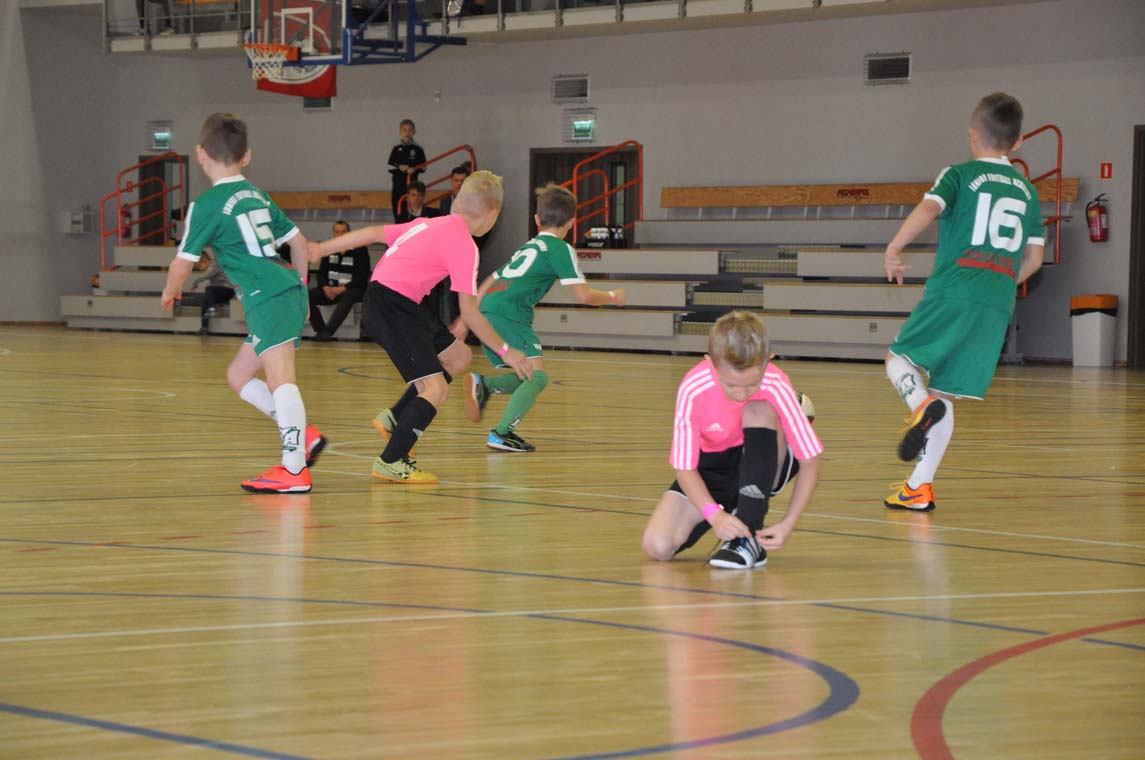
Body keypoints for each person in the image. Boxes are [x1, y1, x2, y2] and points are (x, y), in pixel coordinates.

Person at [309, 170, 531, 484]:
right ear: (493, 215)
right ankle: (391, 461)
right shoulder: (465, 246)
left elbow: (372, 233)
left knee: (458, 357)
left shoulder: (426, 223)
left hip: (398, 303)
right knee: (435, 389)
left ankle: (395, 419)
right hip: (393, 308)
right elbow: (470, 311)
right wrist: (507, 352)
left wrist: (322, 249)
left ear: (455, 201)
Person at [882, 92, 1044, 512]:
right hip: (997, 302)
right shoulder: (1029, 192)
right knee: (946, 393)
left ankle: (920, 405)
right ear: (1018, 142)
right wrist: (1000, 284)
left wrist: (895, 247)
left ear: (973, 134)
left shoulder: (958, 174)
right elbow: (1034, 260)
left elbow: (928, 209)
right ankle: (918, 488)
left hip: (954, 288)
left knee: (898, 360)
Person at [161, 112, 326, 494]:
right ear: (246, 156)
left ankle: (294, 470)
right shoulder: (257, 195)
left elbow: (182, 263)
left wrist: (170, 290)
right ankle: (304, 435)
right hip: (283, 290)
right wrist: (301, 288)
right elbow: (299, 244)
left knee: (281, 379)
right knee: (239, 375)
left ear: (200, 154)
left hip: (267, 297)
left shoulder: (206, 205)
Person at [641, 311, 822, 570]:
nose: (741, 394)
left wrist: (788, 523)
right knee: (657, 546)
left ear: (768, 360)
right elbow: (685, 468)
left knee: (757, 408)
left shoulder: (775, 383)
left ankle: (748, 537)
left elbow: (811, 462)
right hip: (713, 468)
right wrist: (714, 514)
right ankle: (738, 505)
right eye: (731, 385)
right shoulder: (693, 388)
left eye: (752, 384)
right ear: (710, 363)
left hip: (763, 455)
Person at [463, 183, 627, 452]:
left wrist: (469, 316)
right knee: (537, 377)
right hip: (510, 314)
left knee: (526, 374)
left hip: (490, 309)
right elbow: (583, 295)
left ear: (537, 219)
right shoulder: (559, 248)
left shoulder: (530, 246)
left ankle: (485, 386)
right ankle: (501, 433)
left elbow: (492, 278)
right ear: (572, 222)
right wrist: (612, 296)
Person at [308, 220, 371, 341]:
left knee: (348, 295)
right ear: (333, 233)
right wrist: (326, 288)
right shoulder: (329, 249)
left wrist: (342, 289)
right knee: (306, 296)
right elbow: (321, 274)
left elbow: (363, 276)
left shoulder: (360, 249)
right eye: (337, 232)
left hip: (352, 289)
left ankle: (328, 331)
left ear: (349, 233)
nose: (340, 234)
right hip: (331, 289)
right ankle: (320, 330)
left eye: (343, 231)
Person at [189, 249, 236, 335]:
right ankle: (204, 328)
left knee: (209, 289)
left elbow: (206, 275)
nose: (199, 267)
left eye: (199, 264)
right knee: (205, 301)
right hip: (219, 293)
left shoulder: (215, 263)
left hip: (228, 291)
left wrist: (195, 282)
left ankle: (211, 309)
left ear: (204, 259)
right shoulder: (211, 265)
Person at [387, 119, 426, 220]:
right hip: (398, 186)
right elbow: (389, 167)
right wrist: (400, 168)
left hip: (412, 186)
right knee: (398, 210)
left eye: (410, 130)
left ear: (414, 132)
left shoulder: (418, 149)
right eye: (404, 130)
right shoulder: (396, 149)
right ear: (400, 131)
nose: (407, 133)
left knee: (412, 212)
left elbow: (424, 167)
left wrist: (414, 169)